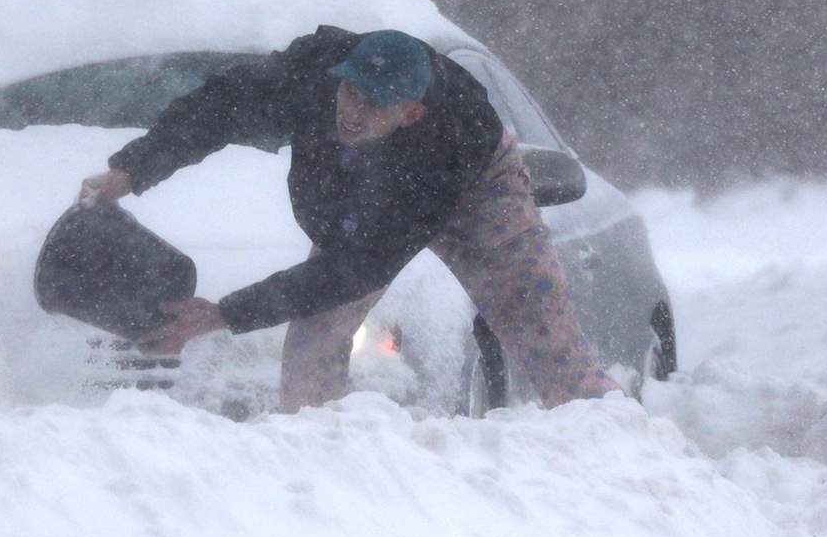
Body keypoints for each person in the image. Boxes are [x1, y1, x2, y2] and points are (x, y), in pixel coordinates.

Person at [77, 26, 617, 412]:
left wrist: (222, 314)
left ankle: (609, 446)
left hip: (479, 185)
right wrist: (133, 169)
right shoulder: (310, 73)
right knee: (313, 341)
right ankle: (320, 470)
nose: (352, 111)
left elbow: (353, 269)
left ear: (410, 112)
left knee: (542, 327)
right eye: (351, 91)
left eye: (373, 104)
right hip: (366, 203)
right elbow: (218, 108)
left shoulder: (442, 145)